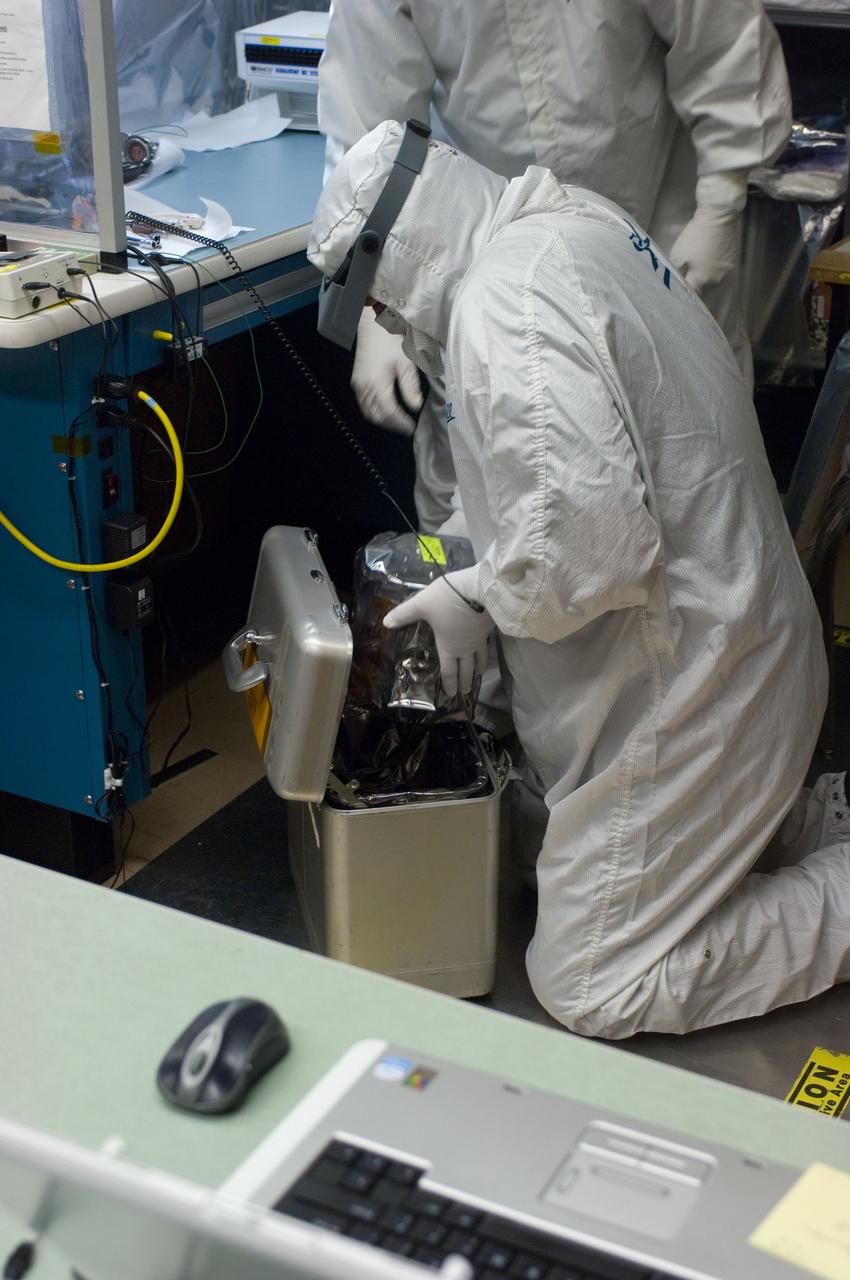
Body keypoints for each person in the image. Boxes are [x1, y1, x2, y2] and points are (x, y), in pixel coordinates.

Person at [307, 120, 850, 1039]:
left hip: (693, 691)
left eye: (382, 305)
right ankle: (801, 818)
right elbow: (571, 472)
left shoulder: (504, 313)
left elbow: (588, 556)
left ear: (396, 255)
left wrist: (480, 594)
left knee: (594, 980)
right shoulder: (565, 225)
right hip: (738, 645)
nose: (390, 325)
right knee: (529, 855)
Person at [318, 0, 792, 530]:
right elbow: (369, 128)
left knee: (691, 488)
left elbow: (721, 35)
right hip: (484, 262)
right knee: (482, 477)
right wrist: (373, 296)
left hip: (653, 234)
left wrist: (721, 203)